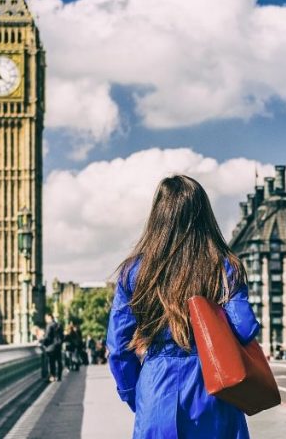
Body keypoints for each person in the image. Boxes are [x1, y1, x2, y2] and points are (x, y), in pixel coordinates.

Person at [107, 175, 259, 439]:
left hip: (157, 387)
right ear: (204, 216)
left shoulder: (133, 271)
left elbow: (118, 349)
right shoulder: (224, 267)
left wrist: (138, 393)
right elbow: (245, 328)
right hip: (214, 390)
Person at [43, 313, 64, 381]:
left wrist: (44, 343)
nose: (45, 320)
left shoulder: (49, 325)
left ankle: (52, 376)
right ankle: (59, 376)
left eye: (46, 318)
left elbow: (47, 336)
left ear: (50, 317)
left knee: (51, 362)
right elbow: (62, 336)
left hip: (51, 346)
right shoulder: (59, 325)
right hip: (58, 346)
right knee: (59, 361)